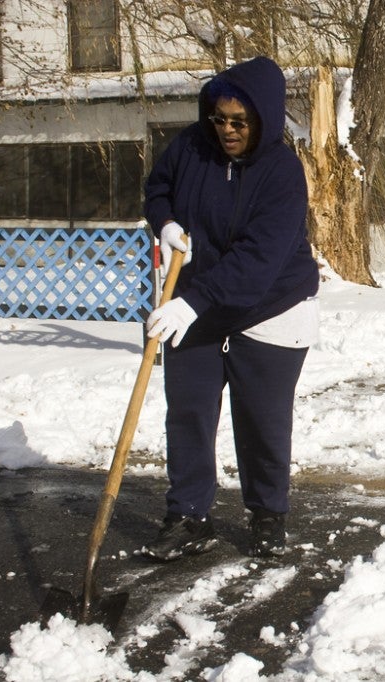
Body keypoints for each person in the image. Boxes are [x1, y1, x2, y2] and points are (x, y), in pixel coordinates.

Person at [141, 56, 320, 560]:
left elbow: (257, 261)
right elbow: (157, 189)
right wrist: (167, 222)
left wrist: (190, 303)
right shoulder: (191, 148)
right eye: (219, 118)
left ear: (263, 117)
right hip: (199, 302)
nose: (226, 130)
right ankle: (187, 515)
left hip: (270, 305)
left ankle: (267, 514)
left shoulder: (282, 172)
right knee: (189, 411)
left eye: (238, 121)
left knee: (260, 416)